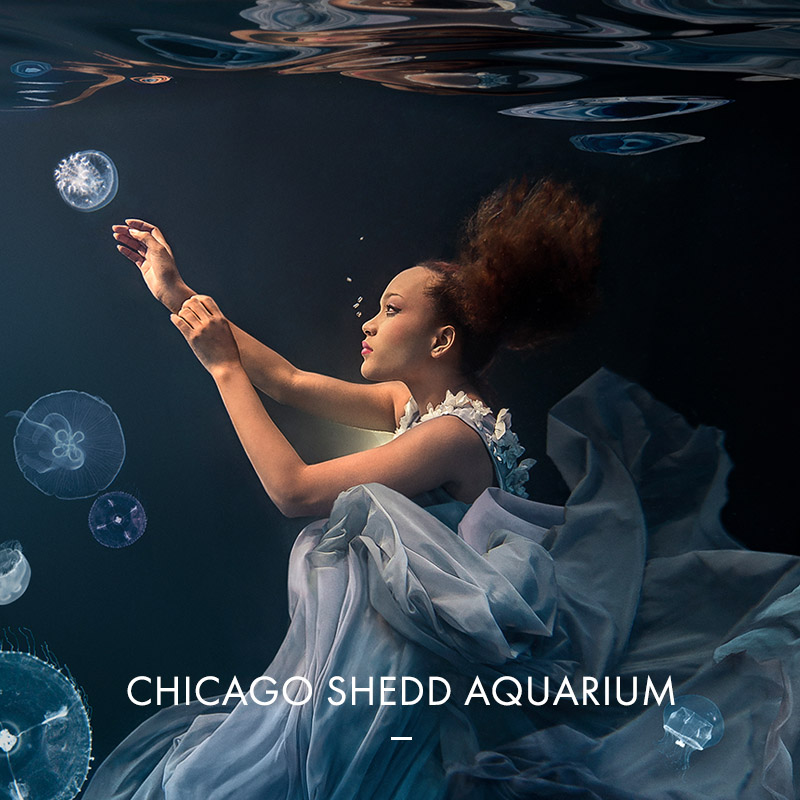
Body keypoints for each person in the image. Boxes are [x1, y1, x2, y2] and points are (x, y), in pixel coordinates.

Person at [83, 179, 799, 800]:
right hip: (395, 664)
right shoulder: (419, 408)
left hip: (408, 680)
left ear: (440, 342)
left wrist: (222, 372)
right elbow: (290, 381)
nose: (369, 319)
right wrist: (178, 295)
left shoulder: (452, 436)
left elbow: (295, 490)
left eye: (392, 309)